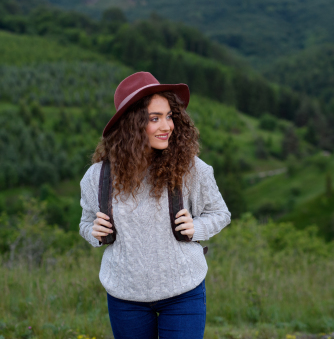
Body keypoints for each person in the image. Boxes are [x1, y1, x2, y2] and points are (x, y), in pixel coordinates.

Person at [78, 71, 231, 339]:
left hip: (183, 293)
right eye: (154, 118)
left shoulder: (191, 169)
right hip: (125, 296)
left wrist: (197, 227)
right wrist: (94, 232)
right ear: (131, 126)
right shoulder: (98, 177)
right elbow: (85, 222)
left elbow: (221, 213)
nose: (167, 126)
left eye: (169, 116)